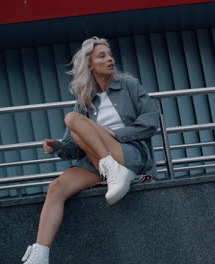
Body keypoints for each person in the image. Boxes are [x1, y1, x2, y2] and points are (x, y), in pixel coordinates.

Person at [21, 37, 160, 264]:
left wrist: (116, 134)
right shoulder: (84, 101)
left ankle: (115, 170)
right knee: (56, 187)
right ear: (90, 66)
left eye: (110, 54)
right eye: (102, 56)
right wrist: (57, 146)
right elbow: (75, 148)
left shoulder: (129, 86)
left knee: (71, 119)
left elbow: (151, 121)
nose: (110, 59)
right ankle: (40, 254)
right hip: (98, 163)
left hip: (129, 153)